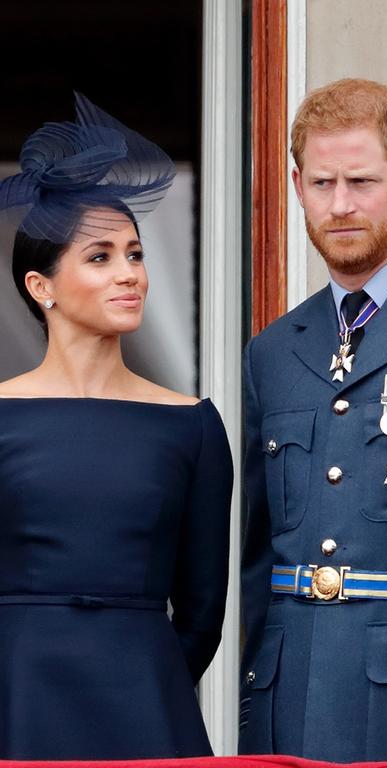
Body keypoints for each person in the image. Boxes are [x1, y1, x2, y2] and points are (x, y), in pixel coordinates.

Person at [238, 78, 387, 762]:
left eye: (362, 181)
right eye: (321, 182)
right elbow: (258, 561)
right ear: (296, 185)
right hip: (291, 695)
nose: (339, 205)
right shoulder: (274, 350)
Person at [0, 94, 232, 760]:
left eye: (134, 254)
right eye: (100, 258)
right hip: (17, 693)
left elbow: (201, 614)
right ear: (42, 287)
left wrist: (143, 679)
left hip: (145, 702)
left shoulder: (191, 425)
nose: (129, 274)